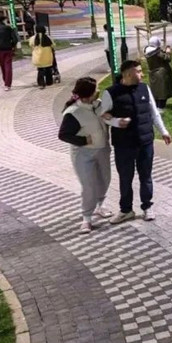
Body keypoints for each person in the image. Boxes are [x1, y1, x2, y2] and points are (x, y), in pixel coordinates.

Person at [100, 60, 172, 224]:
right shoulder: (111, 93)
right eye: (138, 71)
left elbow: (154, 113)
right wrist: (117, 122)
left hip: (145, 142)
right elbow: (104, 115)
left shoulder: (144, 88)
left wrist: (164, 132)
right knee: (125, 177)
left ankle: (147, 206)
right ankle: (126, 210)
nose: (142, 74)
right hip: (123, 145)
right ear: (128, 74)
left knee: (146, 176)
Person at [57, 77, 113, 233]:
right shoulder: (74, 112)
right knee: (89, 186)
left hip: (103, 150)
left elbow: (108, 119)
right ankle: (86, 218)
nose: (98, 90)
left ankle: (100, 206)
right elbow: (63, 135)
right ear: (88, 93)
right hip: (83, 154)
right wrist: (83, 140)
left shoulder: (99, 105)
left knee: (104, 180)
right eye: (95, 89)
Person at [144, 36, 172, 111]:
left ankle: (157, 106)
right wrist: (168, 52)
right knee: (163, 91)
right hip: (161, 73)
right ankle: (161, 107)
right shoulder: (157, 52)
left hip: (153, 73)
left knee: (156, 91)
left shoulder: (147, 50)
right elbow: (167, 58)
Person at [30, 25, 55, 89]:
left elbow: (31, 45)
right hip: (47, 57)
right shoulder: (48, 37)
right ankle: (49, 82)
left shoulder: (33, 38)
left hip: (38, 58)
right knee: (48, 69)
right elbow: (53, 45)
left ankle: (41, 83)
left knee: (40, 70)